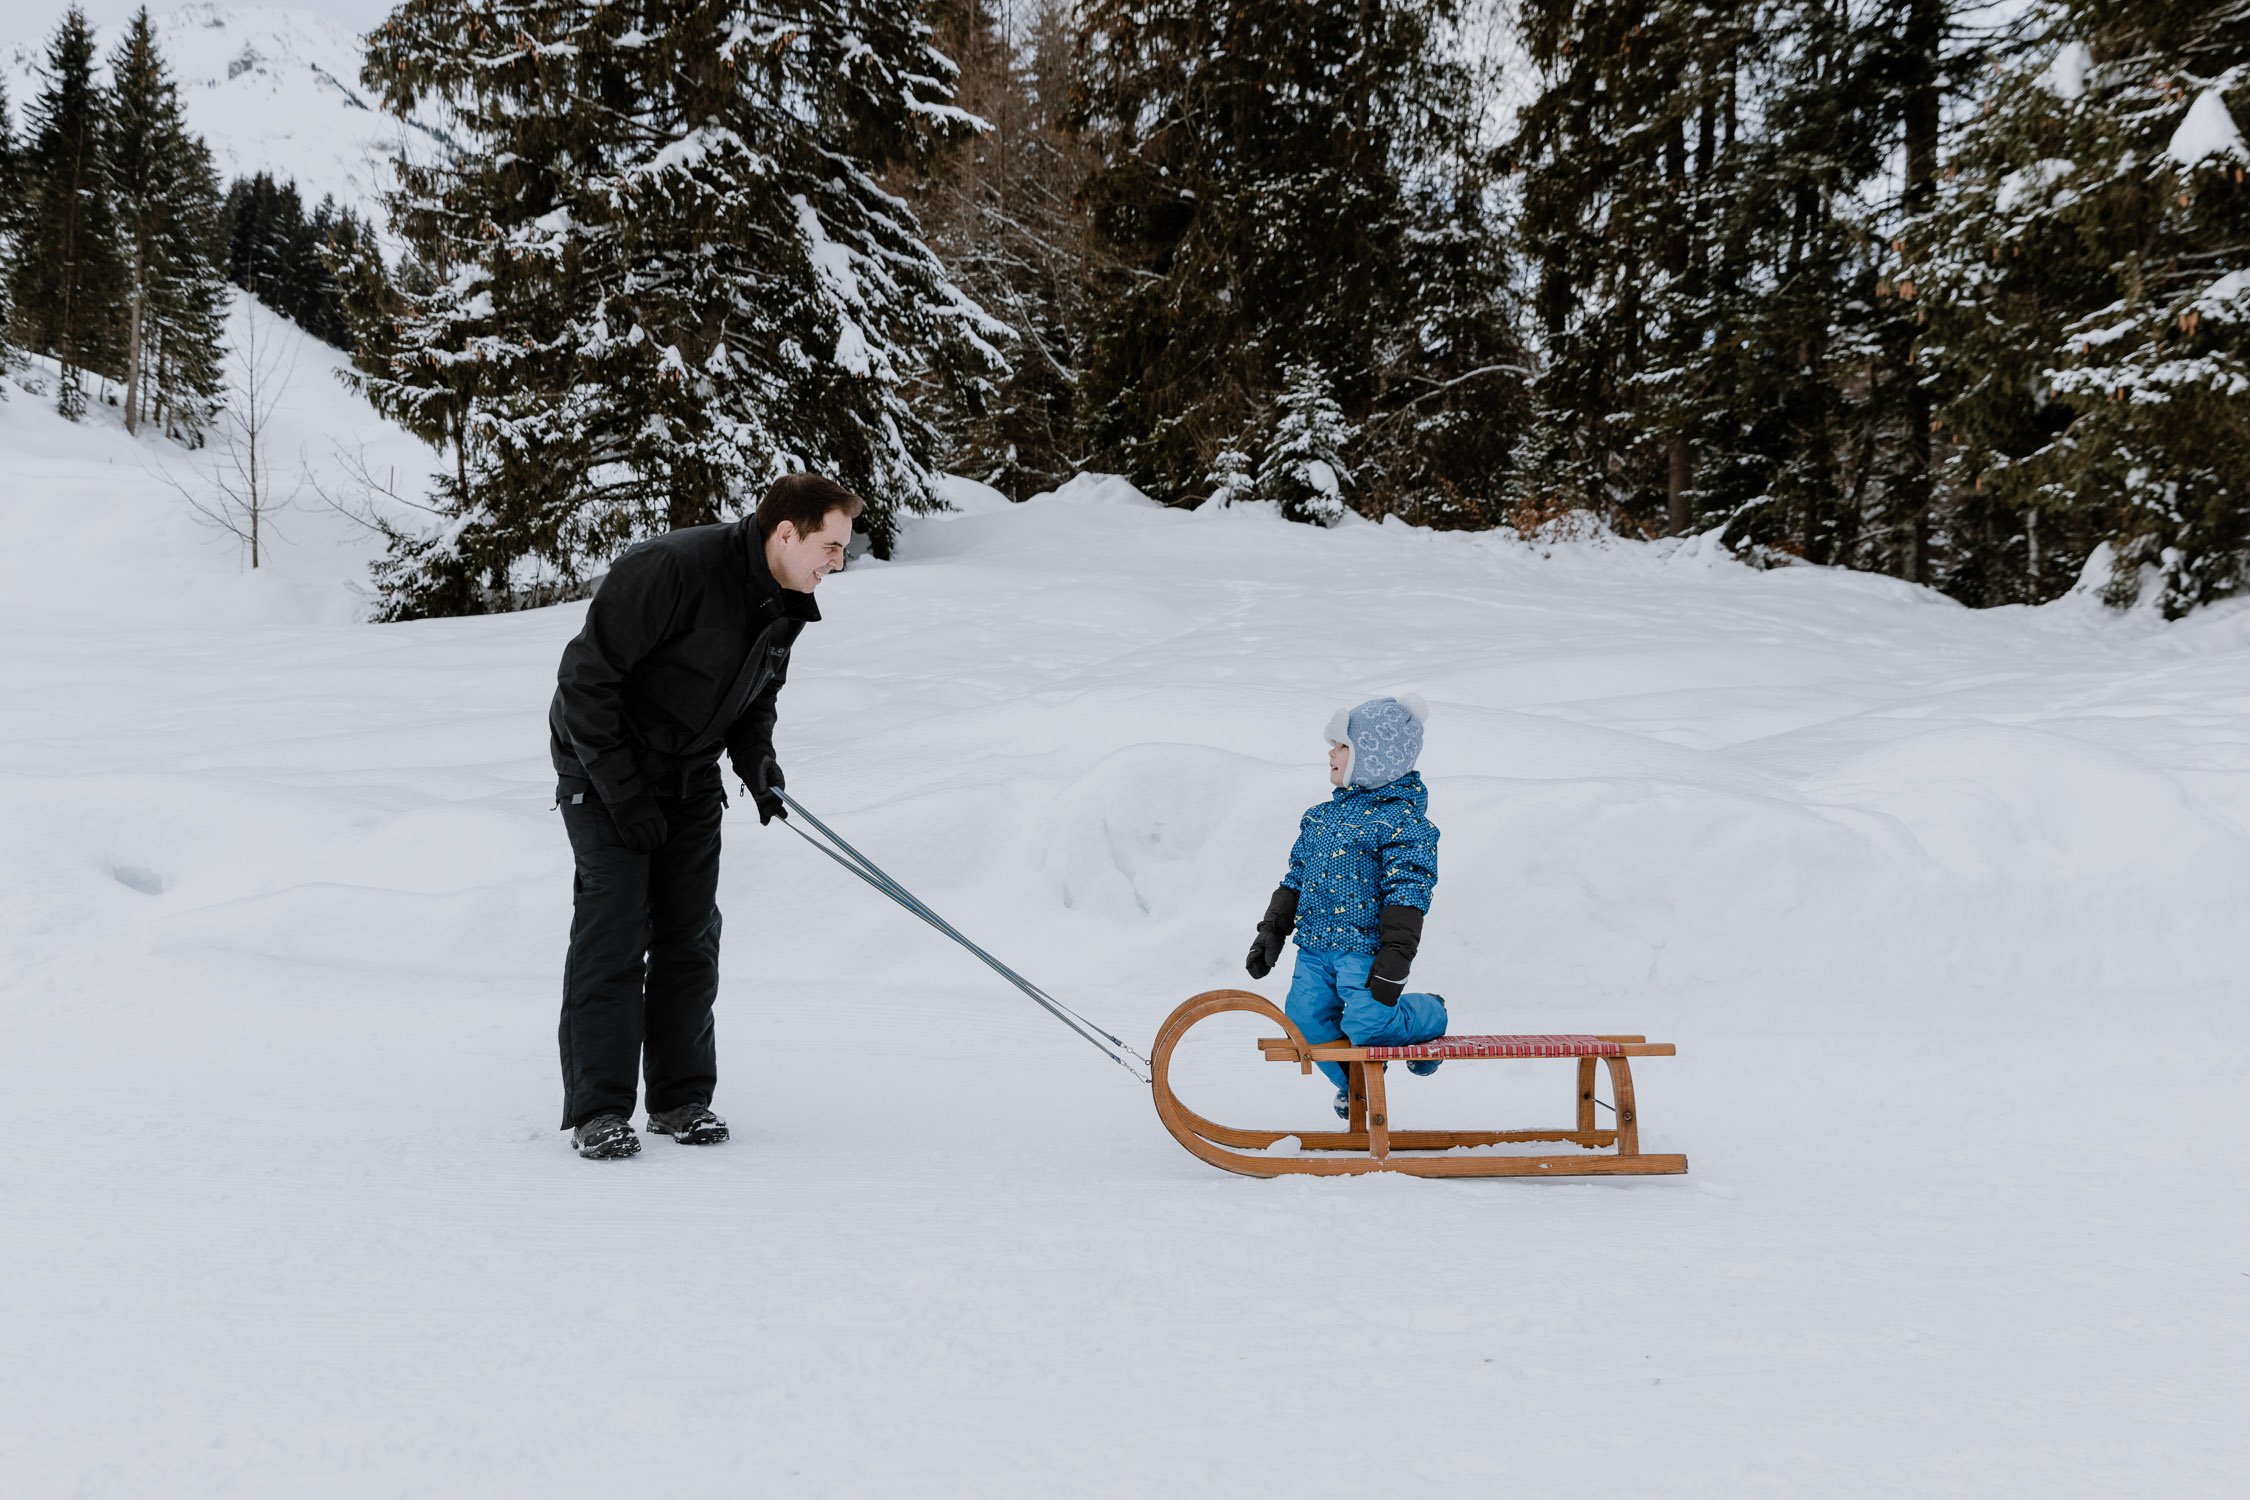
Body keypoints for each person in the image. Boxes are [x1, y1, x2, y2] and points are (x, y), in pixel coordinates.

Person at [548, 474, 861, 1159]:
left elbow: (755, 696)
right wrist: (623, 795)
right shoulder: (671, 569)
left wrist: (758, 766)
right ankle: (599, 1111)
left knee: (690, 938)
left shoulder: (787, 600)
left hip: (689, 775)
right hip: (605, 769)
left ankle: (680, 1099)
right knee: (616, 932)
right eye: (831, 545)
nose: (838, 561)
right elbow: (585, 684)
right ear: (787, 533)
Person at [1244, 695, 1448, 1118]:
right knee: (1304, 1020)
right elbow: (1296, 877)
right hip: (1315, 948)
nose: (1331, 753)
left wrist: (1397, 953)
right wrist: (1272, 930)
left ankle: (1430, 1015)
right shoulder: (1319, 817)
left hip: (1365, 951)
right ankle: (1355, 1087)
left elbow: (1409, 888)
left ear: (1374, 757)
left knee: (1368, 1025)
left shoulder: (1403, 822)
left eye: (1342, 745)